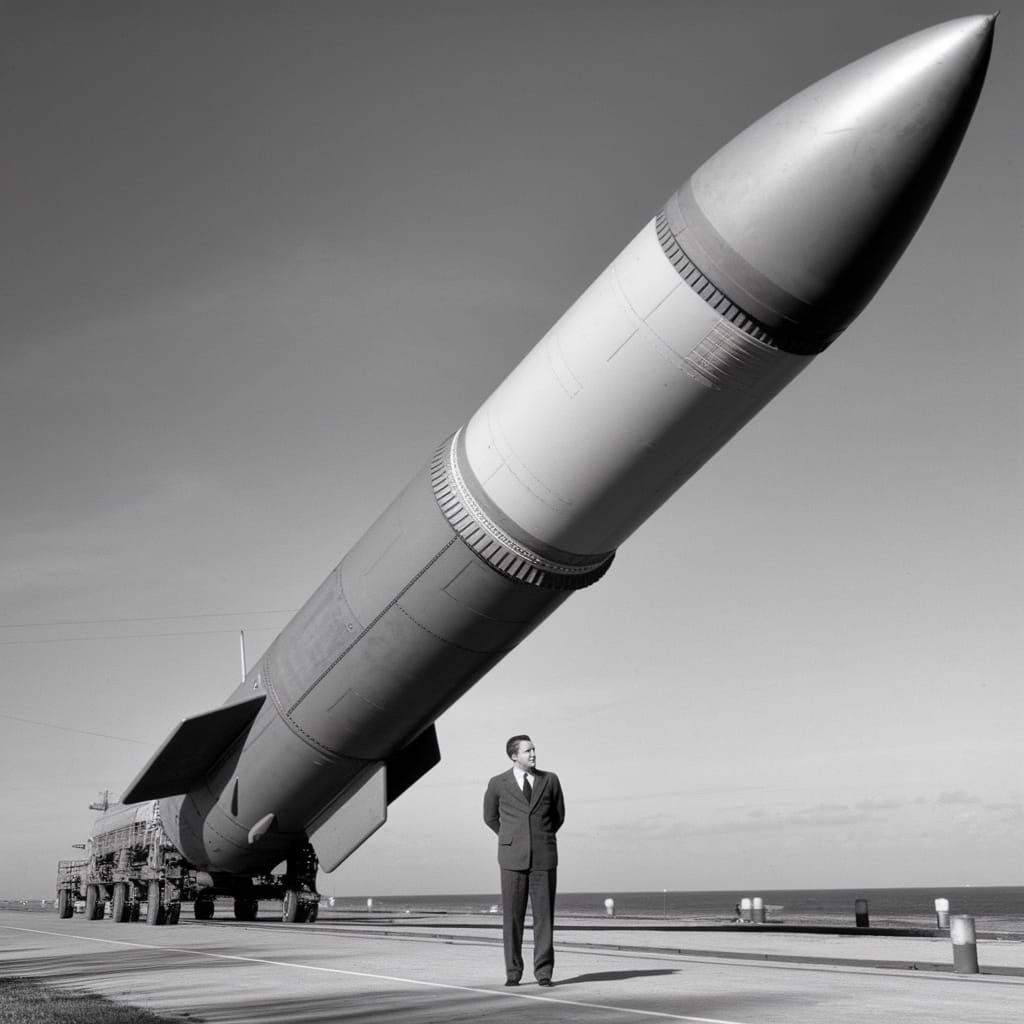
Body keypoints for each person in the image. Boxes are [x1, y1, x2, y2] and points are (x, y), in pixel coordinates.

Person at [482, 734, 565, 987]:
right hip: (511, 858)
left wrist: (541, 837)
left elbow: (558, 815)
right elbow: (490, 817)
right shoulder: (498, 783)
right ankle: (513, 973)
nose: (533, 754)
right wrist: (511, 838)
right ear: (514, 755)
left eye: (534, 750)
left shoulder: (549, 779)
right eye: (527, 751)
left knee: (544, 918)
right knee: (512, 918)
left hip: (544, 856)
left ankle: (543, 973)